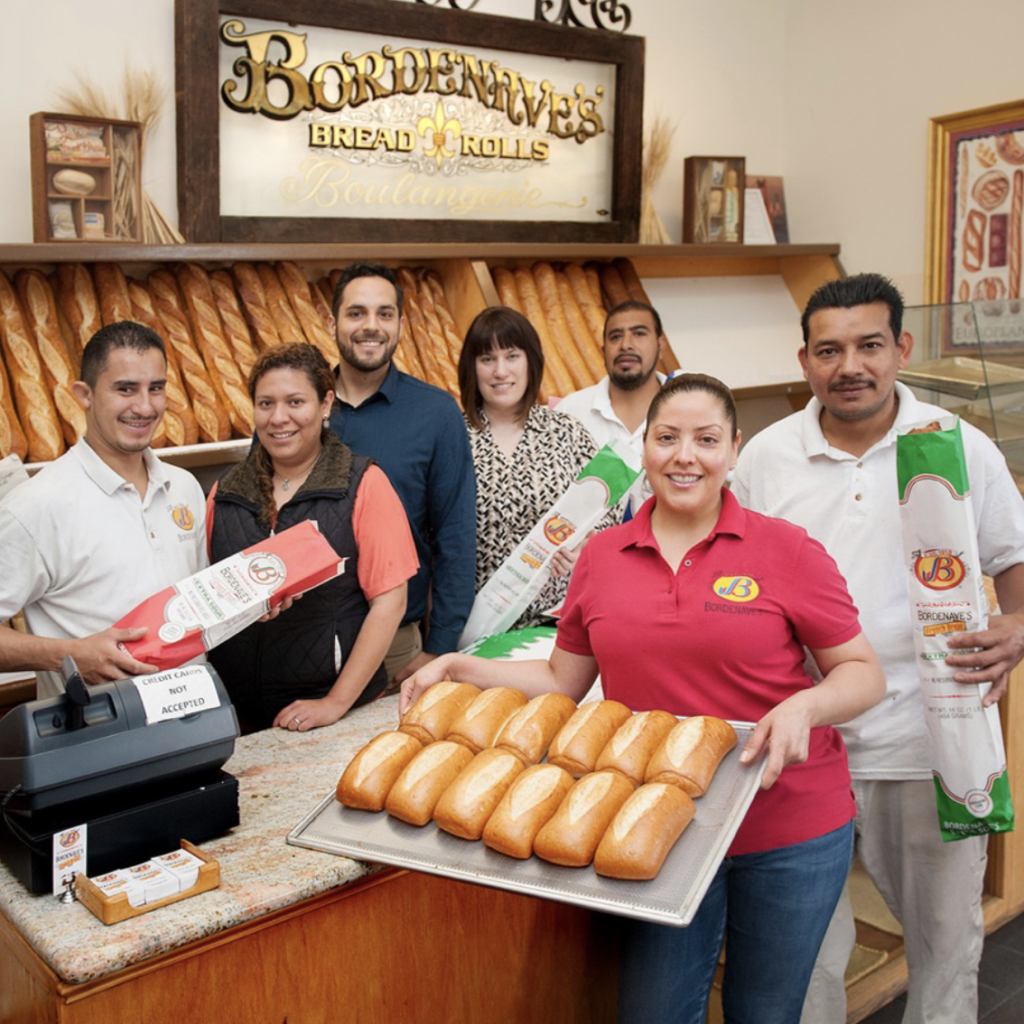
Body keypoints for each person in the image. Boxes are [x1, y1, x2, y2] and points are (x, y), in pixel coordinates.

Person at [402, 373, 886, 1024]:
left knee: (765, 1012)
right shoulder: (601, 557)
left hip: (789, 827)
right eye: (667, 438)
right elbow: (561, 682)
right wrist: (459, 665)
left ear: (734, 451)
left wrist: (807, 706)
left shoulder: (786, 550)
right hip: (658, 828)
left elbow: (860, 672)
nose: (685, 456)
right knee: (653, 1011)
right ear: (645, 451)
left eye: (706, 439)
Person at [732, 273, 1024, 1024]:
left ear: (902, 348)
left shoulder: (958, 447)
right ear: (804, 361)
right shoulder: (766, 457)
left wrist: (1018, 625)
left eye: (868, 346)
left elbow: (1013, 559)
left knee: (944, 946)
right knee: (808, 957)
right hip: (799, 746)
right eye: (828, 351)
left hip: (929, 740)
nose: (848, 366)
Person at [207, 343, 417, 733]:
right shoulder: (224, 492)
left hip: (333, 713)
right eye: (265, 403)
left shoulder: (364, 484)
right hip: (237, 716)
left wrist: (335, 703)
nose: (278, 418)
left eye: (295, 402)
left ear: (325, 405)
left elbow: (390, 601)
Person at [0, 321, 206, 697]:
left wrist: (263, 597)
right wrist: (68, 654)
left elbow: (197, 608)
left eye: (155, 389)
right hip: (98, 739)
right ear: (85, 394)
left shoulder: (185, 487)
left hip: (195, 721)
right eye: (125, 389)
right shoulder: (36, 505)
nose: (144, 407)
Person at [328, 262, 476, 685]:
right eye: (356, 313)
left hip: (397, 647)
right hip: (303, 636)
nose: (370, 326)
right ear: (332, 321)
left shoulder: (436, 414)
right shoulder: (298, 410)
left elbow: (456, 534)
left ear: (400, 323)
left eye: (384, 314)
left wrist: (441, 645)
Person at [458, 306, 604, 629]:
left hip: (561, 620)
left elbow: (607, 513)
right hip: (476, 626)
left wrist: (585, 547)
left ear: (531, 361)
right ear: (472, 368)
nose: (500, 371)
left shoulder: (567, 431)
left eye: (512, 356)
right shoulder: (453, 436)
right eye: (487, 359)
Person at [555, 299, 668, 516]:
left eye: (639, 333)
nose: (626, 344)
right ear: (603, 350)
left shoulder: (687, 411)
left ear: (660, 346)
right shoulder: (569, 412)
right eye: (616, 336)